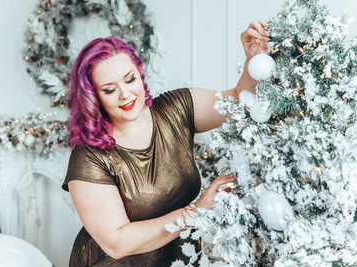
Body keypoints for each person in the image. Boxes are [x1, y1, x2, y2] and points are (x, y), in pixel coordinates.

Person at [62, 20, 269, 266]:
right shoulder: (88, 157)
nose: (125, 94)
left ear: (140, 74)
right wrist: (196, 212)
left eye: (130, 79)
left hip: (178, 258)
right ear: (93, 98)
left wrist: (253, 60)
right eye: (109, 90)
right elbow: (116, 243)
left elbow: (237, 100)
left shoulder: (176, 107)